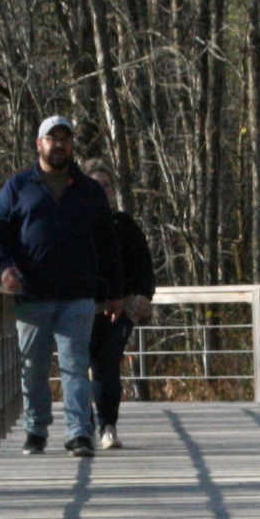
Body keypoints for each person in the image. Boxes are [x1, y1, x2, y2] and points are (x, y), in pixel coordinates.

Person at [0, 116, 123, 457]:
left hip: (78, 294)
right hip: (31, 295)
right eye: (52, 138)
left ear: (72, 144)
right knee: (32, 367)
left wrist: (116, 289)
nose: (59, 144)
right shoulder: (18, 188)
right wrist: (4, 268)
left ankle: (79, 433)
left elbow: (108, 242)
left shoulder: (89, 191)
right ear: (39, 144)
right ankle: (36, 429)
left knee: (75, 364)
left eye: (65, 138)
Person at [84, 164, 159, 450]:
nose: (101, 190)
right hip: (80, 307)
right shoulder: (75, 225)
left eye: (106, 185)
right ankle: (82, 427)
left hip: (117, 307)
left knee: (106, 365)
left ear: (113, 190)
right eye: (95, 185)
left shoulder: (125, 226)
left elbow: (144, 267)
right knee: (78, 367)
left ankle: (107, 426)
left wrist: (143, 295)